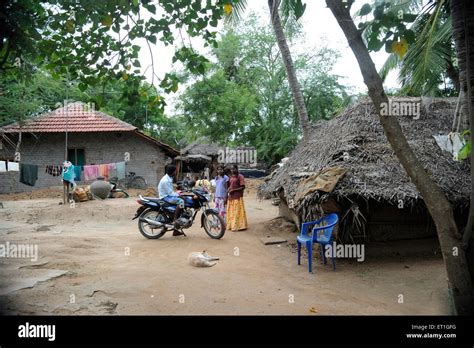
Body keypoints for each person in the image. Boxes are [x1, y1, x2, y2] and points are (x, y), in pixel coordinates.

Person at [158, 164, 185, 236]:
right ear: (172, 171)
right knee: (181, 201)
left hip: (168, 195)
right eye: (175, 171)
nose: (176, 172)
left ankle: (175, 230)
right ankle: (175, 219)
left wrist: (179, 191)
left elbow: (171, 189)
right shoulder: (165, 180)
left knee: (183, 199)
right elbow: (170, 193)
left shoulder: (169, 178)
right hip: (165, 197)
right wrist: (179, 194)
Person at [226, 164, 248, 231]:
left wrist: (234, 190)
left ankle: (239, 226)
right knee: (231, 212)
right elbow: (230, 185)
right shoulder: (230, 177)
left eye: (234, 169)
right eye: (231, 169)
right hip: (231, 197)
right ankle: (231, 225)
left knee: (237, 212)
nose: (232, 170)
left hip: (237, 197)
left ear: (237, 169)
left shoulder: (240, 176)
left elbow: (243, 187)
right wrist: (229, 189)